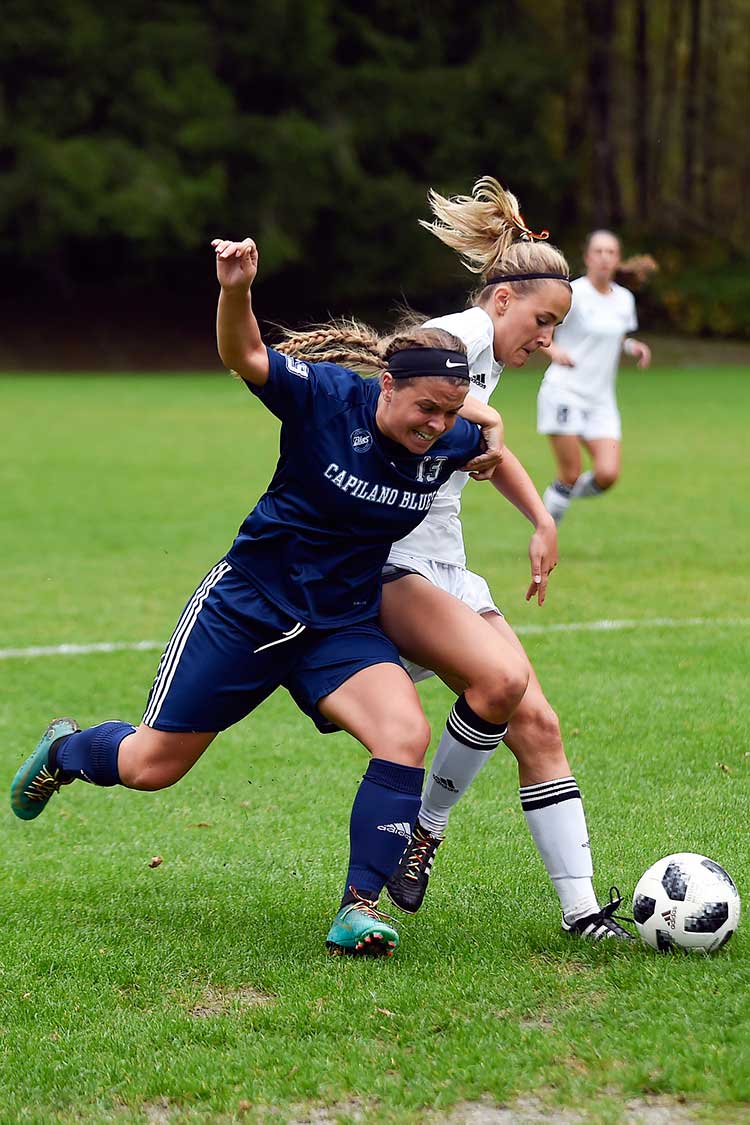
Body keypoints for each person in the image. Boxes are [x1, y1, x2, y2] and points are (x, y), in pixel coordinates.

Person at [10, 236, 513, 960]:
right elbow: (245, 355)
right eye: (425, 408)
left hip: (338, 622)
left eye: (449, 413)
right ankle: (64, 749)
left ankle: (358, 907)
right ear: (386, 387)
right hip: (249, 606)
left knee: (403, 731)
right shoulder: (324, 399)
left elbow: (484, 442)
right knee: (153, 766)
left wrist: (505, 467)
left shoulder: (449, 437)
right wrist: (236, 289)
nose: (435, 425)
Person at [280, 178, 634, 941]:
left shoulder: (485, 357)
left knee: (536, 721)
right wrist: (489, 414)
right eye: (542, 321)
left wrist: (541, 516)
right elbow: (410, 393)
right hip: (394, 563)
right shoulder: (450, 340)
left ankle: (581, 915)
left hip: (450, 564)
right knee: (500, 680)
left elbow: (482, 444)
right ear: (502, 301)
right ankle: (425, 830)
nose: (547, 340)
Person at [538, 229, 655, 525]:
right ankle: (546, 532)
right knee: (571, 472)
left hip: (601, 400)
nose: (604, 258)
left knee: (607, 474)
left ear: (618, 259)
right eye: (599, 252)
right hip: (564, 391)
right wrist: (554, 351)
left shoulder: (624, 299)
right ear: (588, 257)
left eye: (611, 252)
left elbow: (613, 337)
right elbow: (539, 329)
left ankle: (555, 498)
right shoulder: (572, 294)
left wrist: (632, 346)